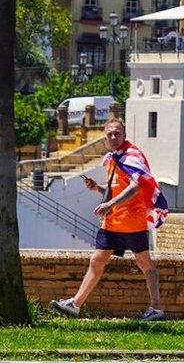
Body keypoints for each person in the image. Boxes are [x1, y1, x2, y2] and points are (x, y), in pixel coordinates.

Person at [51, 118, 165, 321]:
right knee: (96, 260)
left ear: (124, 135)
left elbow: (136, 186)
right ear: (105, 137)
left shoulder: (132, 156)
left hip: (132, 222)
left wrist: (109, 205)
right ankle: (75, 305)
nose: (113, 137)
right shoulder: (112, 158)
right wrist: (99, 190)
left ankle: (156, 309)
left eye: (117, 133)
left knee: (145, 264)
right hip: (112, 222)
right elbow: (116, 190)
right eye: (110, 134)